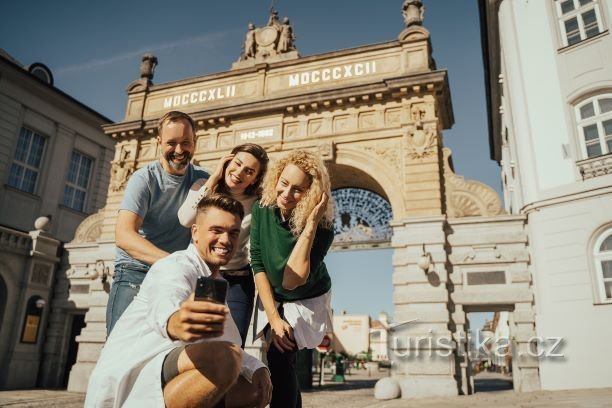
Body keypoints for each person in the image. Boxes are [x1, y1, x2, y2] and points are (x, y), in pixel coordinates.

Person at [85, 195, 272, 408]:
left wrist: (258, 367)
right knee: (224, 360)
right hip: (140, 370)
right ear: (195, 233)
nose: (225, 240)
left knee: (254, 389)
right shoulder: (174, 266)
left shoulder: (214, 282)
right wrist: (177, 322)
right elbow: (165, 308)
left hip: (175, 372)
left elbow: (231, 344)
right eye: (216, 230)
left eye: (233, 233)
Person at [106, 110, 209, 335]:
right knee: (121, 346)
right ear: (159, 142)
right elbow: (124, 236)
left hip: (176, 275)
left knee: (165, 348)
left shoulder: (204, 180)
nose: (180, 150)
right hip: (136, 270)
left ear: (195, 142)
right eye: (171, 143)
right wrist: (174, 262)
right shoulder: (144, 179)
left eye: (186, 142)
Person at [250, 150, 335, 407]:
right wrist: (274, 317)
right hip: (274, 296)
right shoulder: (262, 209)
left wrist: (309, 226)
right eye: (284, 183)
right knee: (280, 360)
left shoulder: (323, 229)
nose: (286, 194)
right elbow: (257, 262)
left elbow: (291, 280)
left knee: (280, 354)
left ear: (310, 193)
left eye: (298, 190)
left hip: (307, 297)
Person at [178, 143, 269, 347]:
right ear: (227, 160)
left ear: (255, 178)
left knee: (232, 347)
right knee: (201, 344)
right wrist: (214, 177)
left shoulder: (258, 203)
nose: (239, 173)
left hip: (239, 281)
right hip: (206, 277)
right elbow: (185, 219)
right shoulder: (203, 185)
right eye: (236, 164)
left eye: (249, 171)